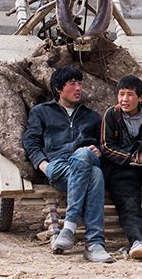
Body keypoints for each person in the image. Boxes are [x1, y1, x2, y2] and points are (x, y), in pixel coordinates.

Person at [22, 66, 113, 263]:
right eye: (72, 83)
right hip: (57, 165)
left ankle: (69, 227)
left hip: (86, 161)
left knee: (86, 158)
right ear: (58, 88)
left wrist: (99, 151)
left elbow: (104, 145)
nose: (78, 88)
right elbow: (31, 141)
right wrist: (43, 164)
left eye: (80, 83)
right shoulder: (42, 112)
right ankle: (94, 244)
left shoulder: (93, 117)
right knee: (95, 175)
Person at [100, 74, 142, 259]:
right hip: (120, 171)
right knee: (129, 204)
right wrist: (133, 157)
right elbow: (106, 147)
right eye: (121, 94)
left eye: (130, 95)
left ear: (140, 98)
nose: (125, 99)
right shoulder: (111, 115)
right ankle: (137, 242)